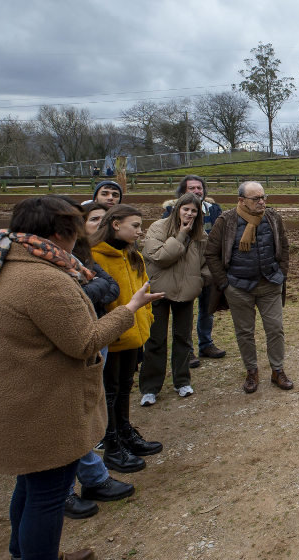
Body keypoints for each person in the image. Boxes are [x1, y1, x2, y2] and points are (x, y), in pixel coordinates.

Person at [0, 195, 162, 560]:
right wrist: (130, 308)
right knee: (49, 495)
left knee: (31, 486)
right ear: (60, 233)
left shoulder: (5, 262)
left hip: (20, 398)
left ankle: (24, 554)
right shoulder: (43, 280)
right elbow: (85, 341)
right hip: (43, 406)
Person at [50, 199, 136, 520]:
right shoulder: (46, 272)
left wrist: (91, 288)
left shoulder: (76, 258)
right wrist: (124, 309)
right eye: (88, 221)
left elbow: (108, 286)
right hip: (77, 346)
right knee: (70, 415)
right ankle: (64, 492)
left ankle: (93, 476)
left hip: (94, 337)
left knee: (88, 407)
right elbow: (92, 297)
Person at [91, 204, 163, 472]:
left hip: (135, 334)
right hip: (112, 336)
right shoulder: (95, 258)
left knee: (124, 387)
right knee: (109, 392)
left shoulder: (133, 256)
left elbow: (145, 288)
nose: (139, 231)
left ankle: (125, 434)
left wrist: (148, 319)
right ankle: (112, 447)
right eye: (135, 225)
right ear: (115, 224)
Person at [205, 181, 293, 393]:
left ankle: (277, 370)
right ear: (241, 201)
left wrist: (281, 274)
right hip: (238, 287)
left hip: (270, 284)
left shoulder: (273, 218)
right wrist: (225, 283)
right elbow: (211, 253)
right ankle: (251, 371)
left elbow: (285, 246)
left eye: (264, 197)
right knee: (244, 332)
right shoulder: (226, 220)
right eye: (256, 199)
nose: (262, 202)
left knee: (275, 329)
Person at [139, 192, 211, 406]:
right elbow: (160, 257)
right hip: (159, 292)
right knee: (155, 340)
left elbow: (206, 262)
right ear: (177, 208)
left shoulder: (200, 236)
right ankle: (150, 387)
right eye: (185, 209)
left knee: (183, 339)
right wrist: (180, 235)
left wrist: (200, 280)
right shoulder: (158, 228)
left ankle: (182, 381)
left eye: (194, 210)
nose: (189, 213)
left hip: (186, 293)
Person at [161, 175, 226, 368]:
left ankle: (206, 344)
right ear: (183, 192)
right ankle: (186, 350)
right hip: (185, 267)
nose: (197, 191)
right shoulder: (171, 212)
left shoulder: (214, 210)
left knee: (208, 308)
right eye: (192, 188)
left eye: (199, 188)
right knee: (185, 311)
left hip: (208, 266)